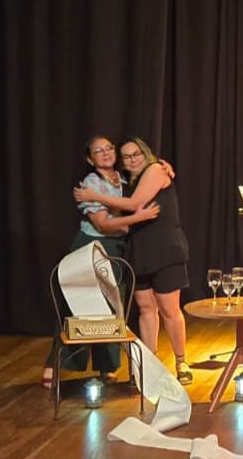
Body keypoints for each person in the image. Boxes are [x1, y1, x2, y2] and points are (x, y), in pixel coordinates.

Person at [74, 136, 194, 384]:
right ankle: (150, 365)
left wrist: (92, 196)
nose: (132, 159)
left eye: (136, 154)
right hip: (139, 251)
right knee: (146, 309)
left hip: (165, 249)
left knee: (169, 309)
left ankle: (181, 362)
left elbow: (136, 203)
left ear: (146, 153)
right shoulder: (124, 180)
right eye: (127, 156)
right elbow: (117, 210)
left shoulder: (156, 170)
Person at [42, 136, 159, 389]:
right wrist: (137, 218)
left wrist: (165, 165)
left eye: (109, 148)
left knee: (111, 306)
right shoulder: (91, 183)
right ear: (90, 158)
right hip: (91, 245)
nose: (105, 153)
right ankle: (54, 363)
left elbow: (152, 170)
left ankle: (107, 367)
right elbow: (103, 224)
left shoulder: (123, 177)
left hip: (116, 247)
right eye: (98, 150)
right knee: (76, 306)